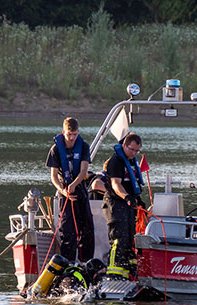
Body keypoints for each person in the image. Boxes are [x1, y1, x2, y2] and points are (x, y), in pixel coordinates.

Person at [46, 117, 95, 262]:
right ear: (64, 132)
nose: (72, 138)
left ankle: (86, 262)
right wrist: (63, 190)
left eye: (75, 135)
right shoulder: (55, 149)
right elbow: (54, 176)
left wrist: (74, 184)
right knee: (68, 232)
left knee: (87, 230)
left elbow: (84, 170)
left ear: (78, 133)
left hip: (80, 191)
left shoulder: (84, 147)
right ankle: (67, 264)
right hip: (64, 193)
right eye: (69, 134)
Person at [102, 132, 145, 279]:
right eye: (131, 150)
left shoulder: (132, 161)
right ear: (125, 146)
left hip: (128, 204)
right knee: (118, 238)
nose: (133, 153)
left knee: (129, 237)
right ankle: (113, 273)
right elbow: (116, 184)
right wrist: (126, 197)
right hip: (115, 202)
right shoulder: (117, 161)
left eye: (136, 151)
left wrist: (137, 199)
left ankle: (128, 272)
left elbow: (132, 183)